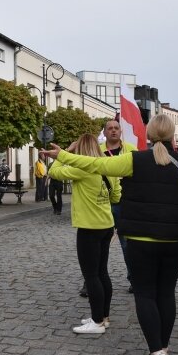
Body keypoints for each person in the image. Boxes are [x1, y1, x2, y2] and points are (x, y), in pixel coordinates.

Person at [41, 114, 178, 355]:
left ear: (148, 136)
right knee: (166, 293)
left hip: (141, 241)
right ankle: (164, 347)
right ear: (172, 136)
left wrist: (62, 155)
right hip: (176, 242)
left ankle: (156, 352)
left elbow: (93, 165)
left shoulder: (133, 160)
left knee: (145, 294)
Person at [49, 133, 119, 335]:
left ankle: (96, 322)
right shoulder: (108, 166)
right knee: (102, 272)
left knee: (91, 275)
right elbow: (116, 195)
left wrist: (65, 152)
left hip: (89, 227)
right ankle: (103, 316)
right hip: (106, 225)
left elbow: (55, 172)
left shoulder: (82, 168)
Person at [96, 119, 138, 295]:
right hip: (102, 202)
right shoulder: (97, 152)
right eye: (109, 128)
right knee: (97, 243)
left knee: (128, 244)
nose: (113, 131)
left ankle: (135, 279)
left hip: (126, 202)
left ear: (121, 131)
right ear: (104, 133)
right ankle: (93, 280)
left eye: (116, 128)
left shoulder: (132, 151)